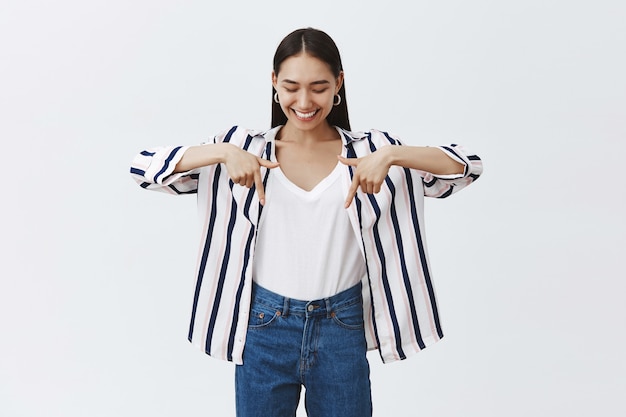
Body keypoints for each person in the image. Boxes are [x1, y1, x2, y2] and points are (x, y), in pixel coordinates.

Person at [130, 27, 482, 417]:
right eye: (292, 86)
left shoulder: (371, 152)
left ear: (338, 85)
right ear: (274, 84)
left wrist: (394, 155)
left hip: (341, 327)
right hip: (263, 328)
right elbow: (144, 169)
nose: (304, 101)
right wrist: (222, 151)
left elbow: (467, 168)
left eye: (318, 87)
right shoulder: (243, 149)